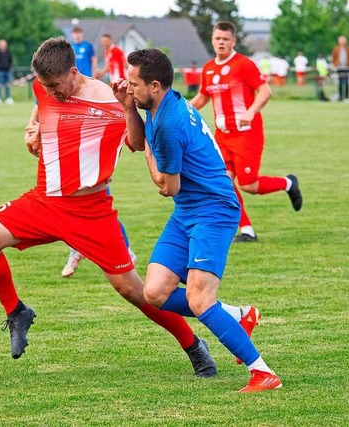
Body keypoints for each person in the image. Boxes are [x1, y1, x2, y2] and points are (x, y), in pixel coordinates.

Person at [0, 36, 217, 377]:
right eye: (45, 86)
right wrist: (32, 131)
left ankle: (193, 346)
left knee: (135, 291)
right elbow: (38, 116)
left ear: (73, 72)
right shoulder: (46, 90)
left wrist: (128, 107)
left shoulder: (107, 99)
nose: (51, 93)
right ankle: (17, 312)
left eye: (56, 86)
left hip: (91, 211)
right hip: (43, 200)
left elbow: (137, 142)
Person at [114, 47, 282, 393]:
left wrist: (148, 147)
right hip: (188, 211)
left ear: (155, 85)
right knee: (155, 292)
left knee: (200, 299)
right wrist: (129, 107)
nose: (129, 88)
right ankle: (238, 316)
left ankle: (263, 372)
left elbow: (166, 185)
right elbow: (135, 139)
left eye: (134, 85)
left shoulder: (168, 125)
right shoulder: (166, 104)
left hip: (214, 210)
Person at [190, 21, 302, 243]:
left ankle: (288, 183)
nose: (221, 42)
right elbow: (203, 97)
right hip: (222, 137)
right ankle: (247, 230)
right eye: (217, 39)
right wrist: (182, 111)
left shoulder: (243, 65)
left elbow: (265, 90)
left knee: (248, 185)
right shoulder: (209, 68)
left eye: (225, 39)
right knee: (223, 182)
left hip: (246, 135)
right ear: (212, 40)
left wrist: (251, 112)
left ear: (233, 41)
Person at [64, 27, 135, 278]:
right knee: (70, 209)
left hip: (92, 164)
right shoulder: (63, 89)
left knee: (97, 209)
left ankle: (122, 251)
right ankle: (77, 251)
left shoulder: (102, 91)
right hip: (72, 164)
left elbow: (128, 135)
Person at [331, 35, 349, 101]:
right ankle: (340, 97)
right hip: (339, 68)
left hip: (347, 68)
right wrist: (336, 65)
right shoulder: (336, 49)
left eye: (344, 41)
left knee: (346, 83)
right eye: (342, 41)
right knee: (340, 83)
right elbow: (333, 58)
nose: (343, 42)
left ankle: (346, 97)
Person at [0, 39, 14, 105]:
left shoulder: (8, 53)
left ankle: (8, 98)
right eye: (2, 44)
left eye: (4, 44)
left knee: (7, 85)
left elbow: (10, 61)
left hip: (7, 71)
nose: (3, 46)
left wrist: (9, 66)